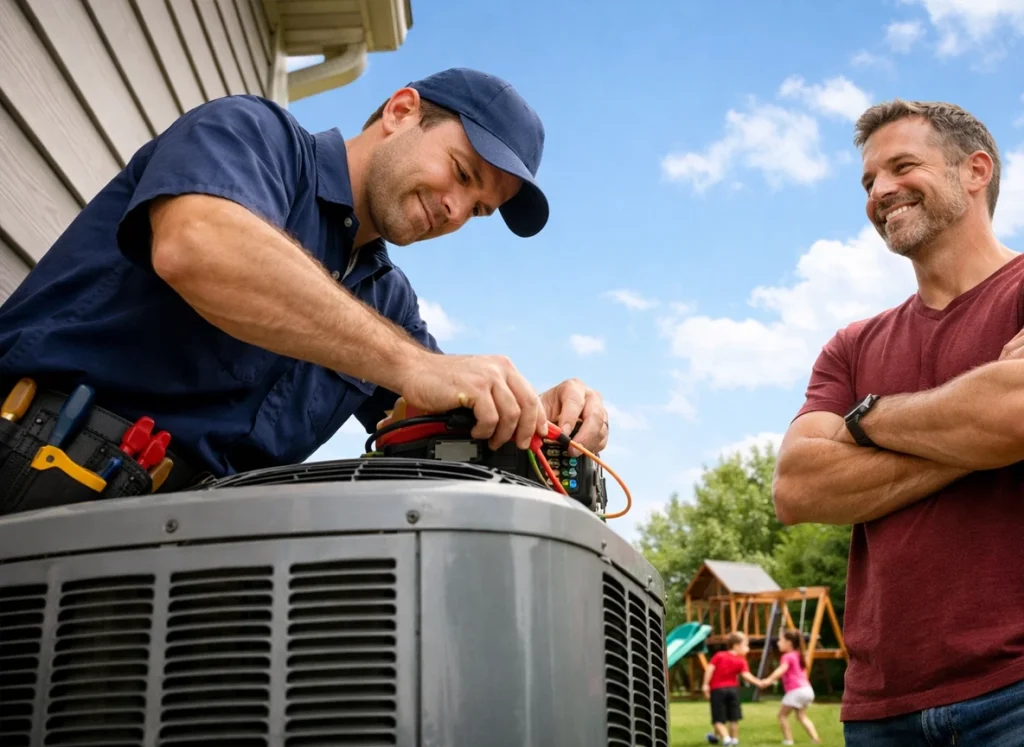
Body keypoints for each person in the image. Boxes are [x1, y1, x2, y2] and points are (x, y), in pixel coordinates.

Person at [0, 68, 609, 506]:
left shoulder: (388, 299)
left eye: (477, 210)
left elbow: (430, 414)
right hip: (38, 465)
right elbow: (196, 245)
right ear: (401, 111)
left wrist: (537, 417)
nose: (455, 210)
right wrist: (411, 364)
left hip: (189, 550)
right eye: (461, 172)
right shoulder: (253, 135)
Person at [773, 98, 1024, 745]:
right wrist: (980, 436)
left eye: (902, 166)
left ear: (975, 171)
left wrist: (863, 420)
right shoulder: (851, 346)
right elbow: (798, 488)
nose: (879, 191)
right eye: (868, 181)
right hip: (881, 711)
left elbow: (1014, 414)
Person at [702, 631, 766, 746]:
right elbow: (746, 675)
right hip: (733, 691)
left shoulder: (719, 655)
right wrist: (759, 682)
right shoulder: (741, 660)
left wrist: (705, 684)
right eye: (745, 645)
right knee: (733, 718)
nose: (748, 649)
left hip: (718, 690)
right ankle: (734, 739)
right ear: (736, 645)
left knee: (718, 718)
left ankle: (726, 739)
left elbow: (709, 669)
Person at [759, 630, 821, 745]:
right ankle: (815, 739)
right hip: (807, 690)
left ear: (789, 643)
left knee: (782, 716)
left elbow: (781, 670)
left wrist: (768, 680)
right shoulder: (799, 655)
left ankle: (788, 740)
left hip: (796, 691)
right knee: (801, 716)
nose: (778, 643)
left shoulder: (787, 656)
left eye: (780, 640)